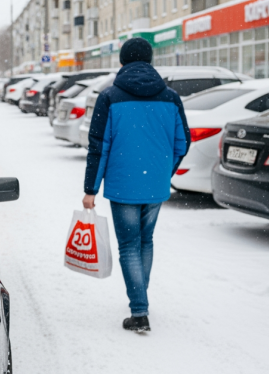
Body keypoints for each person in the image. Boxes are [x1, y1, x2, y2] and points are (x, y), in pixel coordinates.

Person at [81, 37, 189, 333]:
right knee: (146, 241)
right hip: (154, 184)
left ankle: (139, 311)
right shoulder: (170, 97)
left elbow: (98, 147)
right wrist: (164, 172)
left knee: (129, 244)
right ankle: (140, 296)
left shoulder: (109, 97)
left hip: (122, 185)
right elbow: (183, 142)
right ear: (150, 60)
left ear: (122, 62)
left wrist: (90, 189)